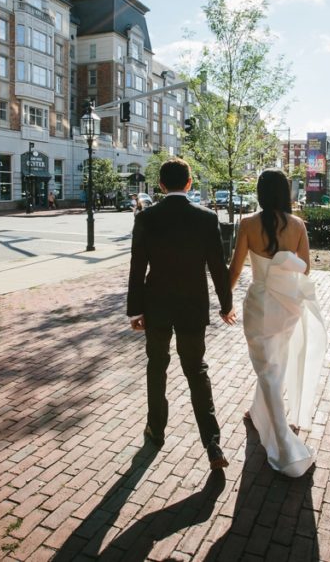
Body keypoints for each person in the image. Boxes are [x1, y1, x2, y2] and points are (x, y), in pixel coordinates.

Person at [126, 157, 235, 470]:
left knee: (157, 366)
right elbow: (218, 267)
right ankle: (212, 444)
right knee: (196, 371)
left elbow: (137, 267)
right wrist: (226, 304)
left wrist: (135, 310)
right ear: (189, 184)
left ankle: (156, 430)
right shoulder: (206, 217)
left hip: (156, 304)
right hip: (192, 305)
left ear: (161, 185)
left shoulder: (147, 217)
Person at [227, 168, 327, 477]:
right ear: (285, 192)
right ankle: (259, 413)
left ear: (259, 192)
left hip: (259, 304)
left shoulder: (247, 224)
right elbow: (306, 268)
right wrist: (284, 264)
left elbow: (236, 267)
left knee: (267, 368)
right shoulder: (297, 225)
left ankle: (284, 442)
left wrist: (225, 301)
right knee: (274, 365)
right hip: (287, 306)